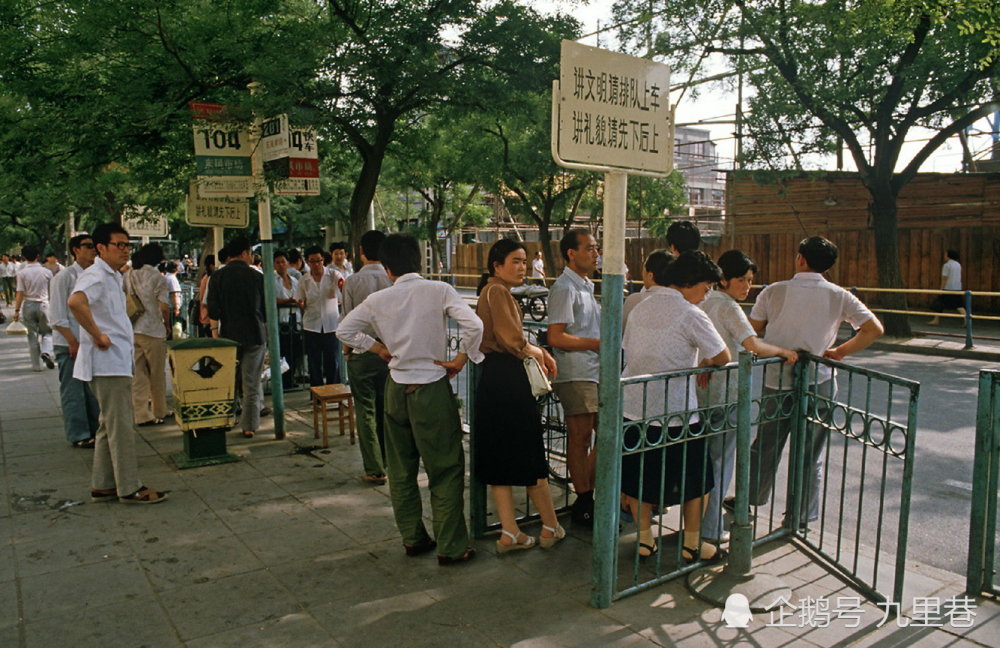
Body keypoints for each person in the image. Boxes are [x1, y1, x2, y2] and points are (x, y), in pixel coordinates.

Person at [337, 233, 483, 566]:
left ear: (388, 268)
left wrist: (378, 348)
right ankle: (451, 545)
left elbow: (344, 330)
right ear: (418, 260)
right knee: (444, 468)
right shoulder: (439, 290)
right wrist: (461, 358)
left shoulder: (379, 299)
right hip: (431, 387)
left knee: (401, 470)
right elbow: (474, 326)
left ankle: (413, 538)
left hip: (395, 389)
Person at [747, 236, 884, 526]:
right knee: (810, 451)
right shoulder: (839, 295)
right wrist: (839, 352)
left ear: (800, 259)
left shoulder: (774, 291)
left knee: (766, 444)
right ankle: (799, 516)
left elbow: (754, 329)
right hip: (819, 379)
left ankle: (750, 500)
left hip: (777, 377)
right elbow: (873, 328)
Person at [621, 250, 731, 561]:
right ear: (689, 282)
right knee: (697, 481)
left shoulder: (641, 307)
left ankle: (645, 540)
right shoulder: (691, 313)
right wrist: (706, 360)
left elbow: (629, 349)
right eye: (706, 288)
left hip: (634, 407)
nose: (706, 296)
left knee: (640, 478)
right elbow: (723, 356)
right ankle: (692, 544)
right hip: (676, 412)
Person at [696, 250, 798, 543]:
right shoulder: (727, 306)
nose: (747, 286)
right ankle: (711, 529)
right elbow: (751, 344)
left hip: (705, 391)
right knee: (720, 464)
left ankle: (700, 526)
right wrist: (782, 351)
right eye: (741, 280)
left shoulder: (703, 301)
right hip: (728, 394)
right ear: (723, 279)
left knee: (707, 463)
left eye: (750, 281)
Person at [68, 222, 168, 504]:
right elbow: (75, 303)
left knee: (107, 425)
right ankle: (129, 487)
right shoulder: (97, 275)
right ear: (101, 248)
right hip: (106, 364)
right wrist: (97, 334)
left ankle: (103, 484)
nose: (125, 251)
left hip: (114, 362)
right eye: (119, 245)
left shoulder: (112, 275)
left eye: (128, 245)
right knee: (121, 426)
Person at [475, 239, 564, 553]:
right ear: (496, 265)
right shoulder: (497, 291)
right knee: (529, 451)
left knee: (500, 456)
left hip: (494, 377)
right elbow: (512, 340)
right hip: (509, 377)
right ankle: (550, 526)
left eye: (525, 261)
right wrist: (541, 351)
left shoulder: (490, 291)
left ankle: (510, 532)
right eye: (515, 261)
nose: (522, 267)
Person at [546, 229, 601, 526]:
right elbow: (556, 336)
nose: (595, 254)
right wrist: (595, 343)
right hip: (576, 371)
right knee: (580, 437)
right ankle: (583, 497)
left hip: (594, 369)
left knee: (606, 433)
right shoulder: (565, 287)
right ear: (571, 253)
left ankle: (588, 491)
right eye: (590, 248)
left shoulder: (586, 285)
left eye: (596, 248)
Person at [341, 231, 392, 485]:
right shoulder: (393, 280)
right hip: (390, 353)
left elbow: (348, 320)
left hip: (362, 352)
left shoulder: (352, 282)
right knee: (387, 409)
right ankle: (389, 460)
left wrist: (347, 351)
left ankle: (374, 468)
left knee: (365, 411)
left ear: (361, 250)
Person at [207, 236, 267, 438]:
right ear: (244, 253)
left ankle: (227, 419)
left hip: (229, 335)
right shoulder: (257, 277)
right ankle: (249, 425)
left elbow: (213, 311)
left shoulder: (217, 276)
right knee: (251, 383)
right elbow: (267, 309)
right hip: (255, 334)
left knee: (228, 381)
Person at [49, 233, 101, 448]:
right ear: (75, 250)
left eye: (94, 246)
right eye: (88, 246)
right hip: (70, 342)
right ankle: (79, 434)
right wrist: (72, 341)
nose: (93, 250)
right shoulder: (65, 277)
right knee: (73, 391)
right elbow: (57, 316)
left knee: (91, 391)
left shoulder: (95, 275)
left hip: (90, 342)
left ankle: (95, 429)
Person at [127, 244, 172, 426]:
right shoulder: (158, 277)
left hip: (134, 327)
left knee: (138, 373)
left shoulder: (129, 274)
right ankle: (159, 410)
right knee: (157, 373)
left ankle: (141, 414)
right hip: (153, 329)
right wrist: (167, 325)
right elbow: (163, 306)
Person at [296, 245, 343, 386]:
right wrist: (301, 304)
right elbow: (299, 299)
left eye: (318, 261)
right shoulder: (304, 280)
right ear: (307, 262)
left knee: (332, 359)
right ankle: (316, 393)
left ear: (323, 260)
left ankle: (334, 389)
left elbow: (342, 291)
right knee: (314, 361)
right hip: (312, 325)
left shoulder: (334, 275)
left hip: (331, 324)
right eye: (312, 261)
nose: (316, 264)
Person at [12, 245, 56, 371]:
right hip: (44, 304)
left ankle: (37, 366)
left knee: (32, 335)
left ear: (24, 257)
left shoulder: (21, 273)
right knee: (47, 332)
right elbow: (52, 291)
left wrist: (16, 310)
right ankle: (47, 351)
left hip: (29, 305)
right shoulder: (47, 272)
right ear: (38, 256)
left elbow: (19, 292)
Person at [622, 250, 673, 331]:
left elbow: (622, 331)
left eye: (644, 269)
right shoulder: (682, 303)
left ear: (650, 275)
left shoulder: (634, 300)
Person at [272, 249, 301, 388]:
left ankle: (292, 377)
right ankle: (283, 380)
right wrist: (286, 301)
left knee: (295, 349)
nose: (281, 265)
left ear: (287, 263)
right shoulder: (272, 280)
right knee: (283, 350)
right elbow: (271, 300)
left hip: (295, 317)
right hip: (281, 319)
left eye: (283, 262)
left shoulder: (294, 280)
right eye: (277, 262)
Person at [928, 249, 964, 326]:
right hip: (957, 287)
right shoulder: (958, 264)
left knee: (939, 304)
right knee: (959, 305)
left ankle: (936, 320)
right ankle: (967, 320)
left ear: (948, 255)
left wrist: (941, 289)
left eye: (945, 254)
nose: (944, 256)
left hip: (948, 287)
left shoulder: (947, 265)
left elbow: (944, 278)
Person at [196, 254, 215, 337]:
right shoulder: (210, 279)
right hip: (208, 318)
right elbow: (206, 301)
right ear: (211, 266)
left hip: (204, 317)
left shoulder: (205, 277)